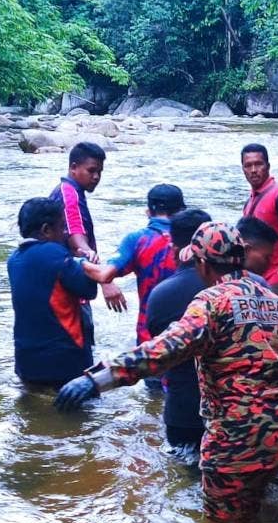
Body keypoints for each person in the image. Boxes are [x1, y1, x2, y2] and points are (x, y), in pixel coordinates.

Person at [55, 223, 278, 523]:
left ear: (202, 264)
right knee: (257, 506)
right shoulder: (275, 302)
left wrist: (96, 380)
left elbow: (163, 350)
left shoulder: (211, 302)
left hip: (237, 436)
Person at [142, 209, 213, 464]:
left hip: (184, 411)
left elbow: (162, 356)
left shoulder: (162, 295)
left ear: (174, 248)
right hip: (236, 415)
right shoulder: (256, 286)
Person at [7, 197, 98, 387]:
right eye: (62, 227)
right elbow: (88, 290)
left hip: (26, 361)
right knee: (77, 413)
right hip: (64, 361)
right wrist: (87, 263)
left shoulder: (14, 259)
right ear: (46, 230)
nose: (65, 233)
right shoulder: (55, 253)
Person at [49, 142, 124, 344]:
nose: (96, 177)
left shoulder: (71, 191)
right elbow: (76, 241)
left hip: (66, 289)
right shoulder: (69, 193)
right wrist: (105, 279)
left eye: (100, 172)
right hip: (69, 293)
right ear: (73, 167)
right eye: (91, 170)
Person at [103, 184, 186, 345]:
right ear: (182, 210)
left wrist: (105, 282)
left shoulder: (137, 240)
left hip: (149, 340)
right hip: (190, 336)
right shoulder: (196, 236)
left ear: (148, 212)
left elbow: (106, 272)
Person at [240, 143, 278, 303]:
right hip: (256, 275)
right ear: (243, 169)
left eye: (258, 164)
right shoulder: (249, 202)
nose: (253, 170)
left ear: (268, 166)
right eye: (248, 165)